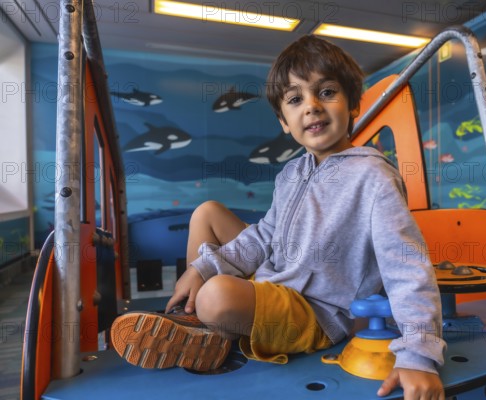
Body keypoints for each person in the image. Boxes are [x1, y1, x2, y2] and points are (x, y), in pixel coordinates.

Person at [111, 35, 446, 399]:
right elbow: (264, 235)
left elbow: (406, 264)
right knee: (207, 213)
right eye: (296, 99)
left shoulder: (372, 176)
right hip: (278, 280)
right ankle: (198, 322)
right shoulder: (292, 173)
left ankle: (212, 325)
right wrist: (203, 267)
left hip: (316, 311)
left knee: (216, 296)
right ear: (284, 122)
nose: (312, 107)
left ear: (352, 105)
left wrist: (417, 354)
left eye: (327, 92)